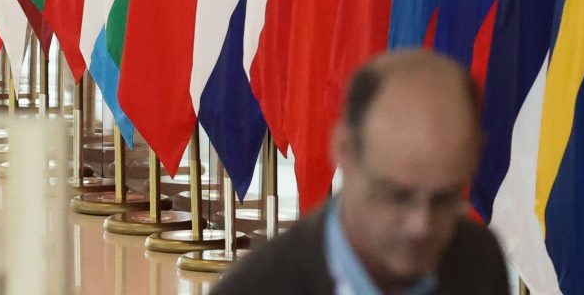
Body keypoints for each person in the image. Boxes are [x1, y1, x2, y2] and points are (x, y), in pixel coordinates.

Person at [213, 49, 510, 294]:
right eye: (398, 196)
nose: (421, 225)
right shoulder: (255, 289)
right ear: (344, 150)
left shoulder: (479, 259)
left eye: (445, 199)